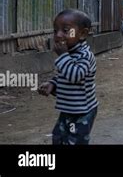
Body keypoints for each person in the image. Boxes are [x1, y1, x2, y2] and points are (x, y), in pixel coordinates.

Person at [38, 9, 98, 145]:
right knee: (58, 137)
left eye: (65, 31)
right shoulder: (70, 52)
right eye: (55, 31)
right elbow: (65, 77)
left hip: (83, 111)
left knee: (75, 141)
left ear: (82, 34)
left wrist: (63, 56)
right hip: (68, 109)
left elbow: (75, 76)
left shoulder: (85, 56)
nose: (58, 35)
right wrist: (53, 84)